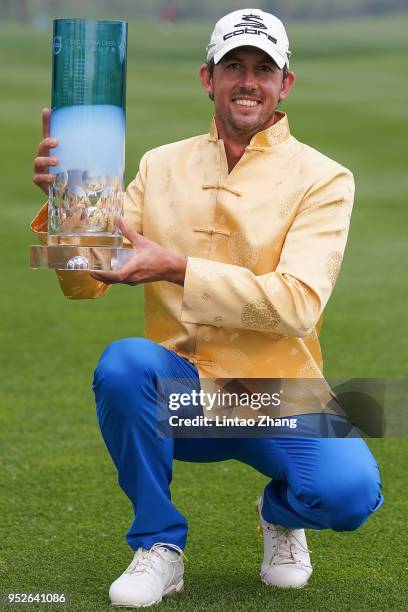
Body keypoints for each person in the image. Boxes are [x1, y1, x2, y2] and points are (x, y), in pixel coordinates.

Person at [32, 8, 384, 609]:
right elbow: (84, 284)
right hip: (185, 389)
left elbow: (297, 305)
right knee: (123, 365)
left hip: (281, 391)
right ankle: (159, 547)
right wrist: (69, 208)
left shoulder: (324, 178)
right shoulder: (159, 164)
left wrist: (176, 267)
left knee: (350, 495)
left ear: (284, 84)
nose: (248, 81)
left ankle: (279, 513)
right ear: (209, 77)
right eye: (234, 66)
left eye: (263, 69)